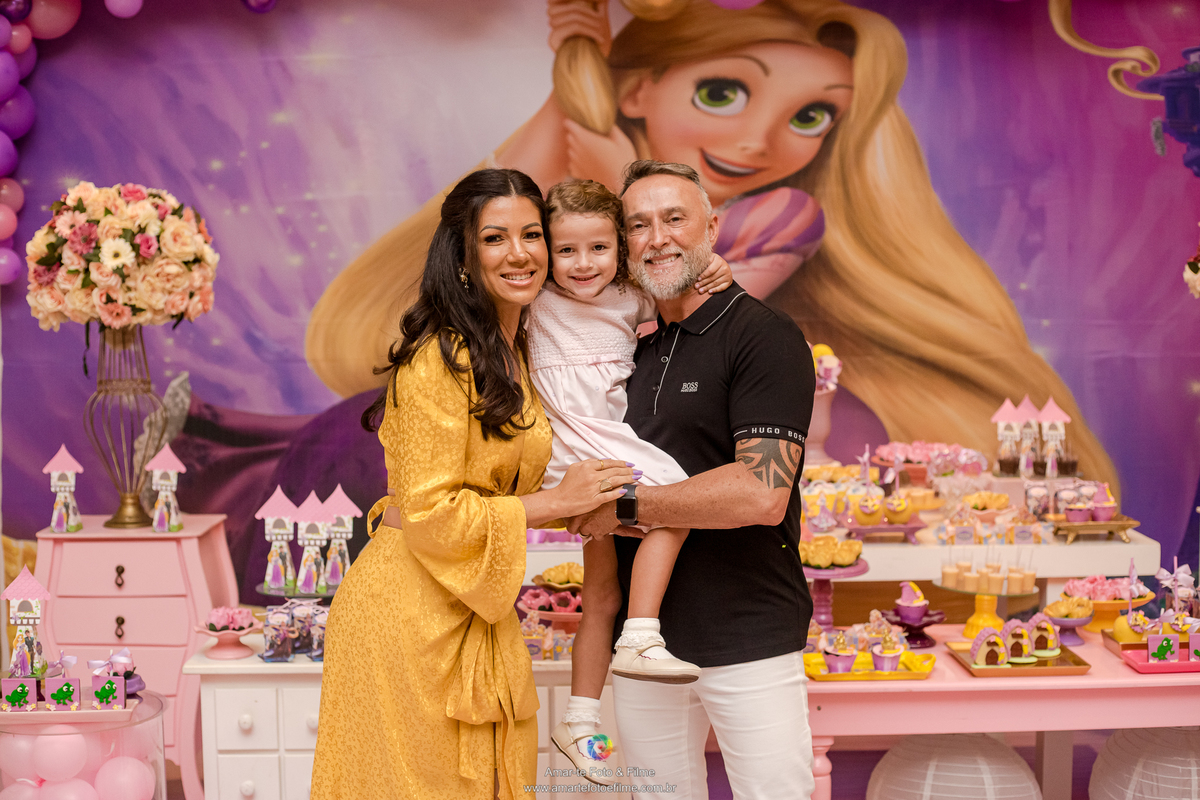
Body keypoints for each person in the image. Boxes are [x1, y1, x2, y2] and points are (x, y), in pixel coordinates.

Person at [306, 0, 1117, 492]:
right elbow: (491, 247)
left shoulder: (781, 219)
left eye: (811, 116)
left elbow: (679, 310)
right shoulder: (559, 228)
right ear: (638, 88)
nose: (760, 139)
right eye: (723, 92)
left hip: (687, 445)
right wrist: (575, 82)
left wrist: (621, 178)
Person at [310, 168, 635, 800]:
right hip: (408, 616)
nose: (519, 254)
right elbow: (431, 514)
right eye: (495, 238)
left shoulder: (519, 351)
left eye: (532, 235)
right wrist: (559, 501)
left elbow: (509, 487)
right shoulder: (440, 359)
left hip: (473, 605)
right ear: (462, 255)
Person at [570, 159, 817, 799]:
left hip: (749, 634)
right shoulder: (632, 351)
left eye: (675, 218)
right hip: (643, 646)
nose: (658, 238)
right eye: (638, 225)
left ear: (711, 227)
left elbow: (762, 493)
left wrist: (626, 507)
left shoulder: (763, 336)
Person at [527, 178, 733, 783]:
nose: (582, 264)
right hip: (577, 446)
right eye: (566, 251)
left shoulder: (629, 297)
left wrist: (715, 266)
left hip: (604, 446)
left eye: (598, 248)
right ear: (545, 252)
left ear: (619, 249)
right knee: (676, 497)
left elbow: (678, 286)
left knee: (601, 595)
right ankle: (642, 635)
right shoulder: (535, 300)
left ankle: (580, 719)